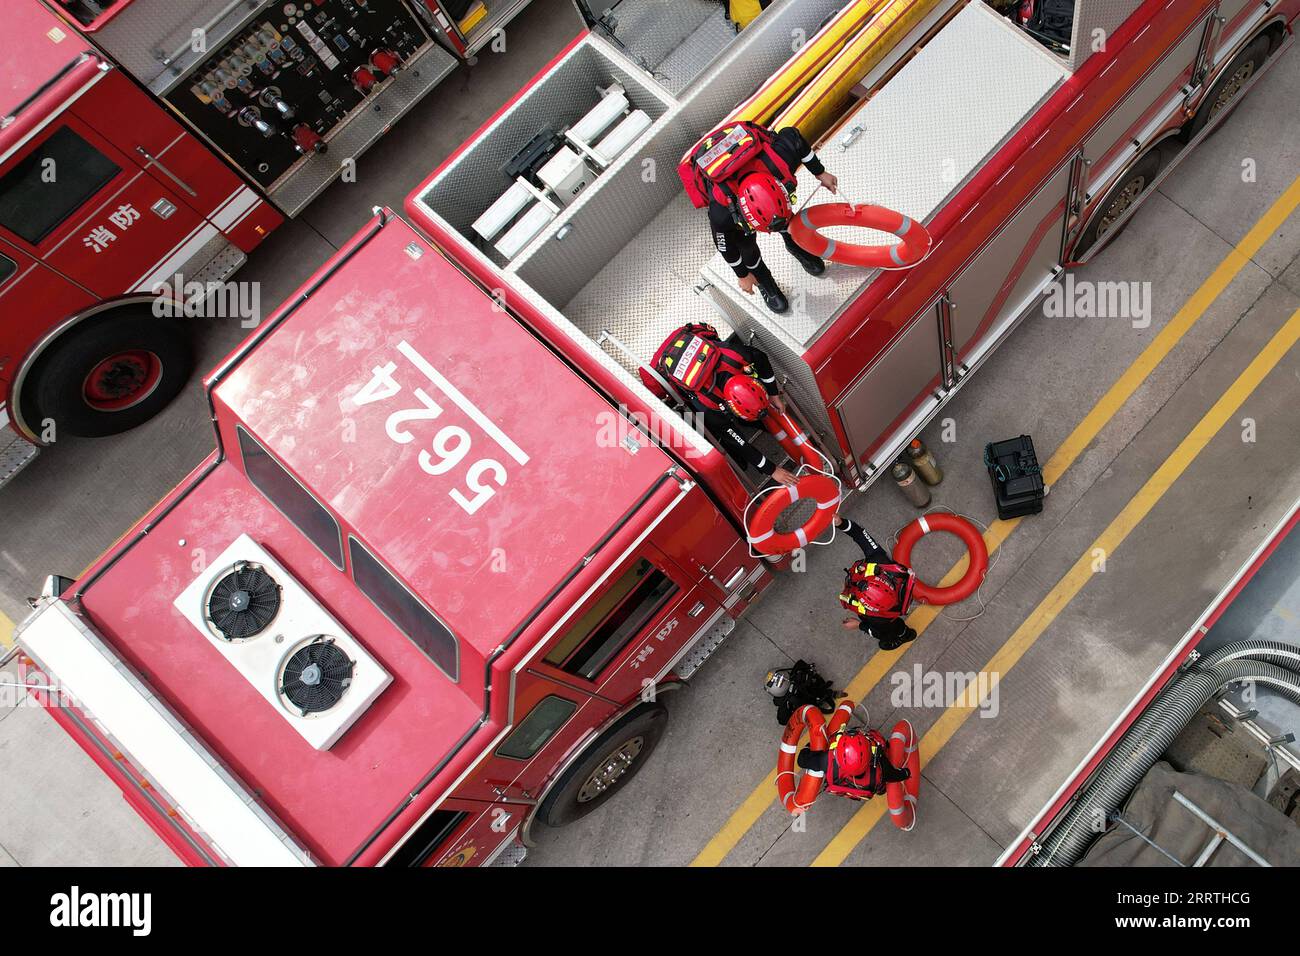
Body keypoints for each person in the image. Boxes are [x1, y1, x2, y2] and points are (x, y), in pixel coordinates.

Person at [681, 120, 839, 315]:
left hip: (763, 178)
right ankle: (765, 281)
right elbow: (724, 246)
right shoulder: (722, 213)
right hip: (733, 199)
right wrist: (743, 275)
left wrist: (820, 172)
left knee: (784, 220)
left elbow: (793, 136)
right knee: (747, 249)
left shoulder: (779, 161)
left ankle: (794, 244)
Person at [644, 322, 798, 486]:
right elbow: (738, 441)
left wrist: (773, 394)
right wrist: (772, 470)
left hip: (694, 347)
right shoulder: (709, 405)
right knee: (721, 438)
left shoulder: (736, 356)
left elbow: (761, 358)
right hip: (667, 364)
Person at [834, 515, 918, 650]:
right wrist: (841, 523)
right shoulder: (880, 561)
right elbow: (860, 534)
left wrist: (859, 625)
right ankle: (906, 633)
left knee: (889, 634)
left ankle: (903, 635)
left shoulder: (877, 620)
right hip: (890, 614)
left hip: (887, 622)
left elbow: (878, 633)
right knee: (894, 626)